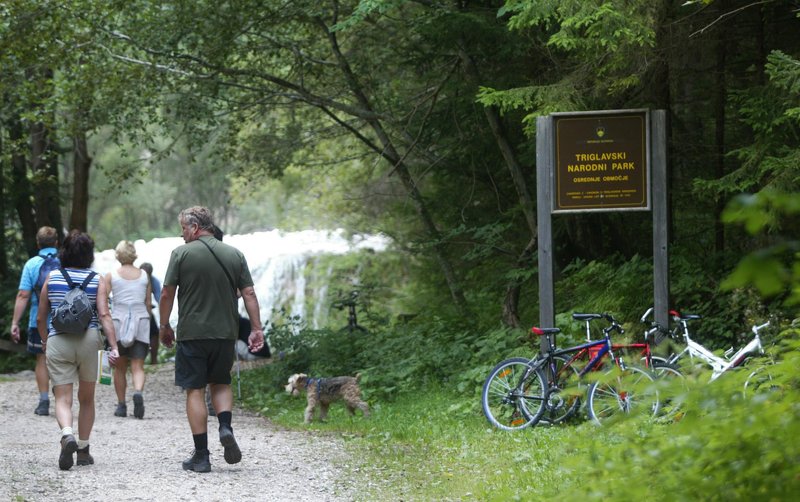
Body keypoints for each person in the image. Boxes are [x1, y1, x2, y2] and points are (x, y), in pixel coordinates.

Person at [159, 206, 265, 473]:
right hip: (225, 333)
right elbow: (249, 293)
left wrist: (164, 325)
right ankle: (225, 427)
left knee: (195, 389)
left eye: (183, 228)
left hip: (192, 334)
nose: (182, 234)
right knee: (221, 382)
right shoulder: (234, 254)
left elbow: (167, 293)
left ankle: (202, 456)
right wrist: (256, 329)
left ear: (195, 227)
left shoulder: (181, 254)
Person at [37, 230, 119, 470]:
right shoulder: (96, 279)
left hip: (59, 339)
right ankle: (83, 450)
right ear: (89, 254)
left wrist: (45, 340)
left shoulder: (52, 277)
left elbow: (41, 317)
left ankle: (67, 434)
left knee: (62, 397)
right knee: (87, 398)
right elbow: (104, 315)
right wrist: (114, 346)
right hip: (89, 340)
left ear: (64, 252)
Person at [10, 226, 59, 416]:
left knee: (41, 358)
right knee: (64, 359)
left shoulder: (31, 264)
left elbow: (23, 295)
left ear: (38, 243)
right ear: (56, 243)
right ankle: (63, 398)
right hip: (65, 321)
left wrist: (15, 323)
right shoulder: (65, 261)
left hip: (39, 321)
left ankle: (44, 401)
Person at [105, 241, 152, 419]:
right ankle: (138, 392)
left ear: (118, 255)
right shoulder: (144, 275)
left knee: (120, 367)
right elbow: (148, 303)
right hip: (141, 322)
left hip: (118, 322)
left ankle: (121, 405)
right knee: (138, 366)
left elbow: (103, 302)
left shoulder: (111, 276)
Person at [139, 262, 162, 365]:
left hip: (146, 309)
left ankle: (153, 360)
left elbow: (159, 299)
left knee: (154, 333)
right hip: (136, 309)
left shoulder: (154, 281)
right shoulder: (135, 278)